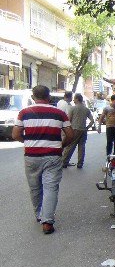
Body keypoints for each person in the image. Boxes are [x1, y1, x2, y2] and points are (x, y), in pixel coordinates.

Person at [12, 85, 74, 234]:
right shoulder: (60, 113)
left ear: (33, 97)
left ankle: (40, 215)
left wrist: (28, 142)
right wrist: (60, 145)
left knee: (35, 188)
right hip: (53, 156)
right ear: (49, 97)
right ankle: (47, 222)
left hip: (32, 157)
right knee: (50, 188)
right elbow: (70, 135)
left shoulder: (24, 113)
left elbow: (15, 134)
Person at [62, 93, 96, 169]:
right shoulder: (86, 109)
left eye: (74, 98)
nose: (73, 100)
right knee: (81, 147)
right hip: (83, 130)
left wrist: (66, 130)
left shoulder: (72, 108)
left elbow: (69, 120)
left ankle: (64, 162)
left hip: (75, 129)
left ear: (77, 99)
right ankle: (80, 163)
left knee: (70, 146)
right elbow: (92, 121)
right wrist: (87, 128)